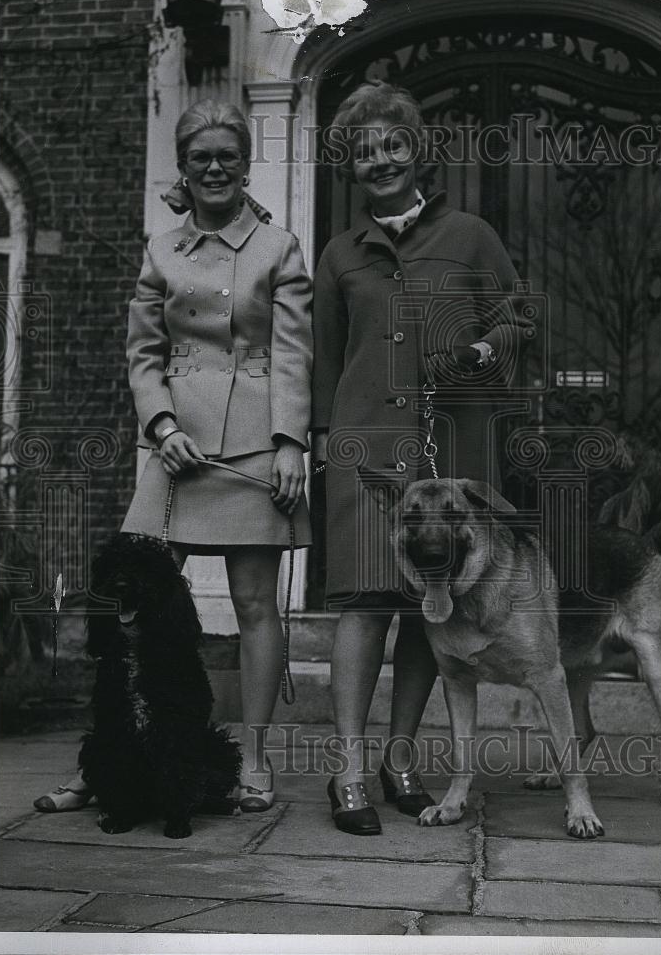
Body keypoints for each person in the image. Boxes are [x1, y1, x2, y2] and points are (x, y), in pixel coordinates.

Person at [34, 99, 312, 816]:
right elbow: (142, 354)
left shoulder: (278, 248)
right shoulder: (161, 250)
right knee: (130, 609)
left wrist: (289, 445)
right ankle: (108, 759)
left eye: (226, 156)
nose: (214, 168)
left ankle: (251, 760)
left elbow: (292, 354)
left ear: (244, 163)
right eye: (200, 158)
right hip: (172, 449)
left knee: (254, 605)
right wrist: (159, 424)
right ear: (183, 169)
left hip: (253, 446)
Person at [312, 80, 525, 834]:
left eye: (393, 144)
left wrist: (479, 348)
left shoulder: (470, 235)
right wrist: (319, 443)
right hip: (365, 452)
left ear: (418, 152)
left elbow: (517, 317)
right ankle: (346, 771)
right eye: (364, 151)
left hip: (454, 446)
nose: (382, 159)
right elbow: (326, 361)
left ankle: (398, 760)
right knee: (365, 602)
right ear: (350, 166)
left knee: (428, 612)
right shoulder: (340, 255)